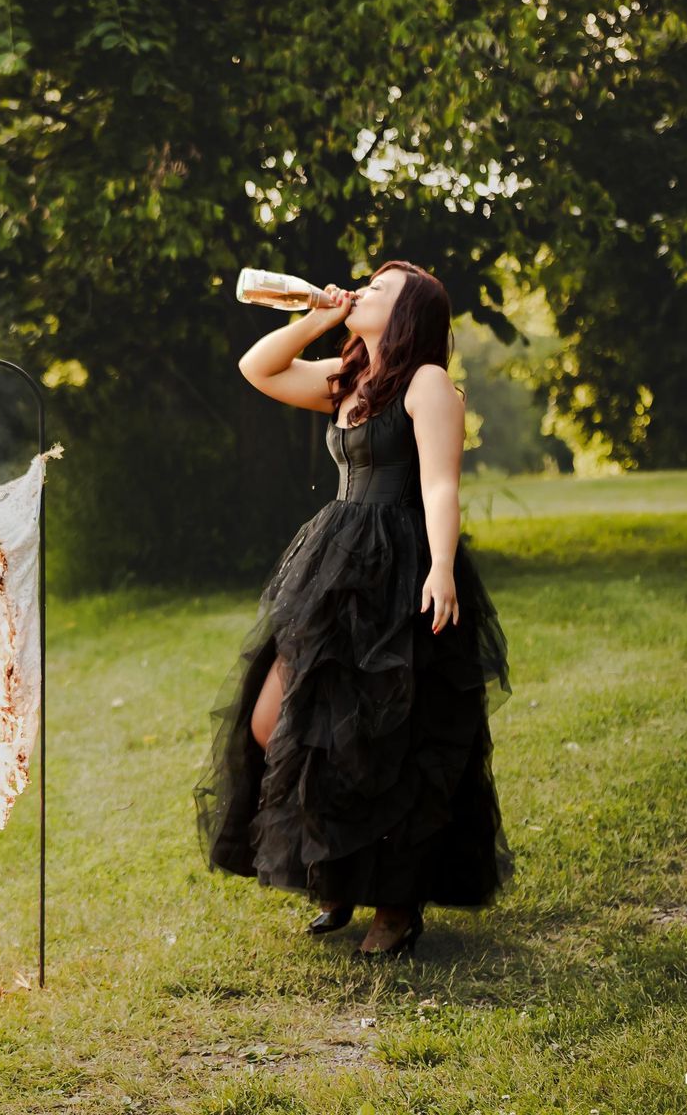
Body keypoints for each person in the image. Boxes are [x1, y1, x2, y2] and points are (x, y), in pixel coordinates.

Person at [193, 259, 515, 957]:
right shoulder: (351, 380)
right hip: (335, 562)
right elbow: (260, 367)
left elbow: (438, 487)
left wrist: (439, 567)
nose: (362, 291)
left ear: (408, 315)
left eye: (378, 290)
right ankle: (335, 870)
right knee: (283, 718)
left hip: (401, 565)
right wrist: (320, 315)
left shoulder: (427, 384)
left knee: (386, 738)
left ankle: (395, 905)